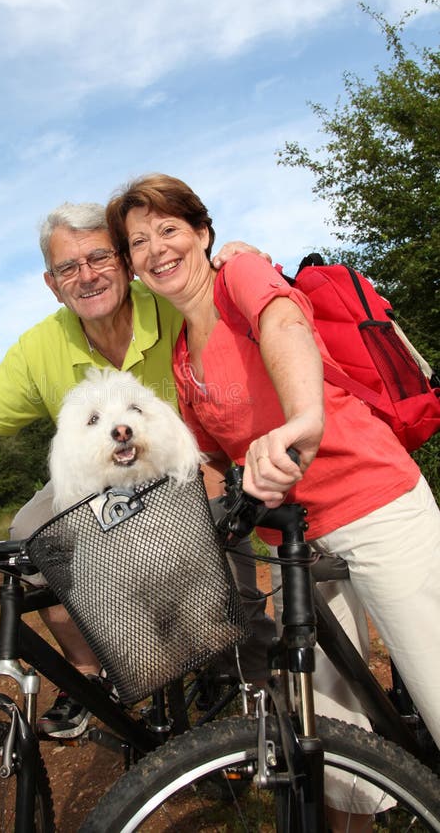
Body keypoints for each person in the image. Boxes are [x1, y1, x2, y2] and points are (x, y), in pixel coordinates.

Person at [106, 172, 440, 830]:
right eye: (138, 242)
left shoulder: (242, 277)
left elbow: (284, 322)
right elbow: (208, 468)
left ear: (203, 233)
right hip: (302, 546)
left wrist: (303, 419)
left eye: (168, 229)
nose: (155, 249)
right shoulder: (182, 360)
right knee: (330, 718)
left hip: (375, 505)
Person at [0, 202, 276, 738]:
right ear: (51, 282)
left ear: (126, 261)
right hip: (95, 480)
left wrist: (236, 259)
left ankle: (258, 710)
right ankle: (93, 670)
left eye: (98, 257)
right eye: (68, 267)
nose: (86, 276)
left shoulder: (170, 297)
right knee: (30, 535)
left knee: (231, 599)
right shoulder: (40, 346)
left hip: (190, 465)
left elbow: (231, 290)